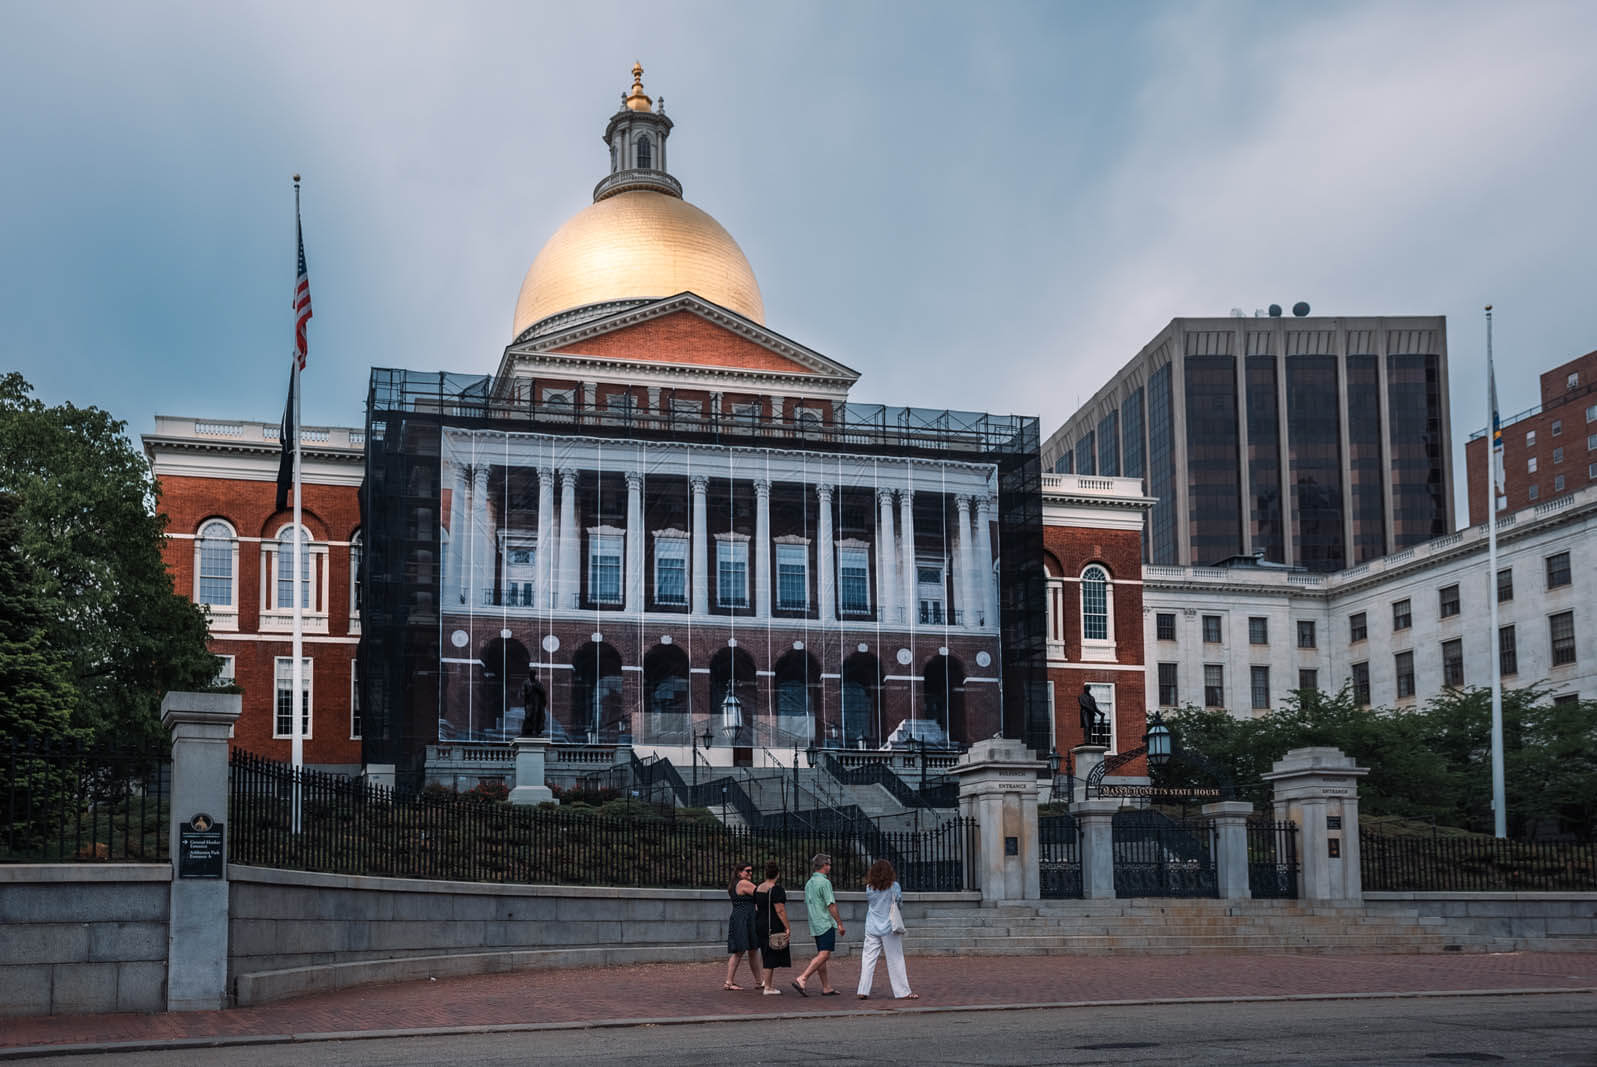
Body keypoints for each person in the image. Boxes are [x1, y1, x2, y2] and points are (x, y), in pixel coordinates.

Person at [855, 858, 917, 1000]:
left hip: (871, 926)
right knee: (895, 959)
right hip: (890, 927)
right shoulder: (894, 886)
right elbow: (899, 903)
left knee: (868, 959)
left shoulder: (869, 887)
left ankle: (863, 990)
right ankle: (902, 992)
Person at [791, 852, 844, 996]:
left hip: (814, 923)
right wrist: (839, 923)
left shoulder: (809, 883)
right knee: (825, 954)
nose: (830, 867)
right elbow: (831, 904)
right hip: (825, 922)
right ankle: (803, 977)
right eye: (829, 864)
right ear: (825, 866)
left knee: (822, 954)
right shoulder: (825, 882)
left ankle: (826, 986)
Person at [753, 860, 790, 995]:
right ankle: (768, 987)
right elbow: (780, 910)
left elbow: (756, 907)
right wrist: (787, 927)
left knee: (764, 951)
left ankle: (765, 981)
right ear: (777, 874)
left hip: (760, 923)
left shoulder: (758, 888)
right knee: (771, 954)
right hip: (772, 924)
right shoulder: (776, 890)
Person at [723, 862, 761, 991]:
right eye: (747, 871)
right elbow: (762, 894)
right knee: (741, 951)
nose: (750, 873)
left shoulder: (734, 884)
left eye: (751, 871)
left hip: (741, 918)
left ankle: (758, 981)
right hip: (745, 919)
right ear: (739, 872)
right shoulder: (743, 883)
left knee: (751, 950)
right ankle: (728, 982)